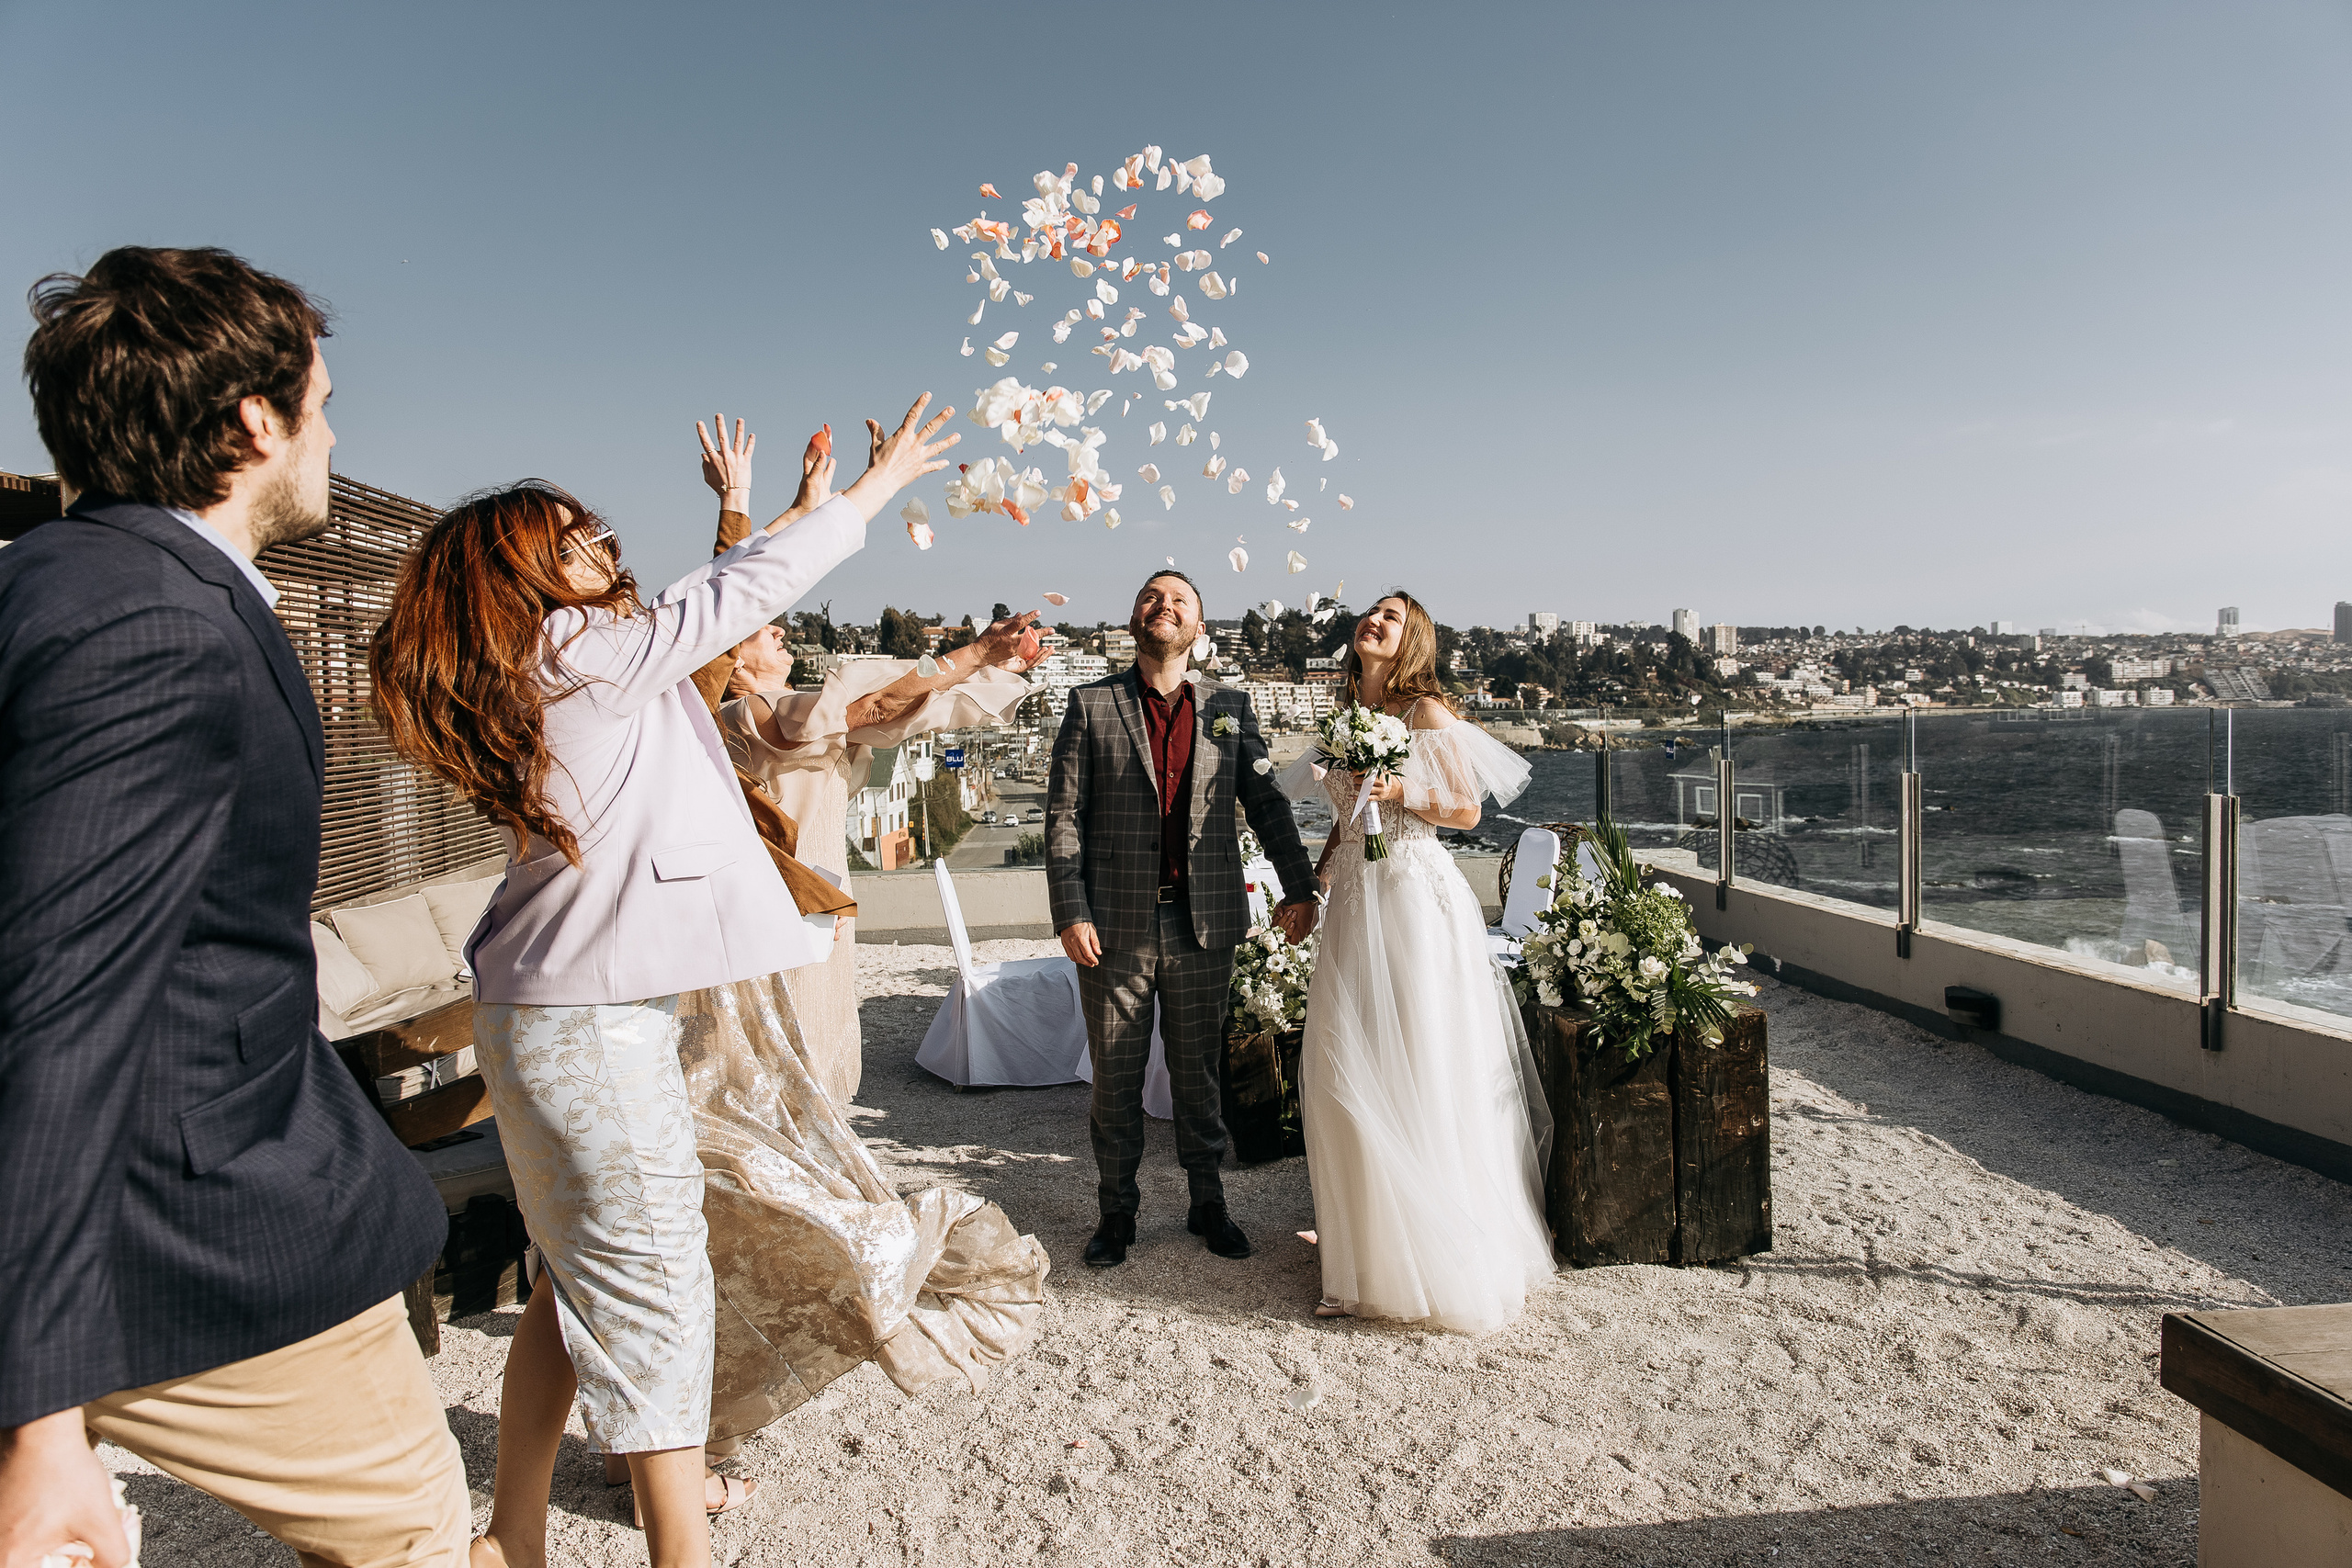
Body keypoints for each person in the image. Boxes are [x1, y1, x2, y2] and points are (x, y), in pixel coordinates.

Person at [368, 396, 956, 1568]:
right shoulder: (581, 657)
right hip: (585, 1031)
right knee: (656, 1301)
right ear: (528, 567)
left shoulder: (557, 662)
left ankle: (514, 1539)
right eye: (578, 534)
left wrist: (765, 508)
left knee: (576, 1283)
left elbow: (712, 600)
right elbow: (730, 600)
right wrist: (875, 488)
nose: (606, 544)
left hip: (546, 1017)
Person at [0, 247, 468, 1567]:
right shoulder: (156, 626)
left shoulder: (57, 580)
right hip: (187, 1229)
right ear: (251, 421)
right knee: (414, 1530)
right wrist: (39, 1408)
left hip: (133, 1206)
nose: (332, 433)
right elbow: (66, 1001)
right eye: (320, 403)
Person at [692, 415, 1035, 1104]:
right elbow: (871, 709)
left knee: (814, 1047)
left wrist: (994, 671)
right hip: (776, 908)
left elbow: (912, 711)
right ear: (732, 659)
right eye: (766, 628)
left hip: (823, 899)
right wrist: (970, 654)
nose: (783, 627)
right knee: (779, 1065)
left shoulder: (787, 710)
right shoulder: (748, 718)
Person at [1278, 592, 1554, 1334]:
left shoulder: (1425, 713)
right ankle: (1361, 1256)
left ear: (1412, 640)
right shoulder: (1343, 723)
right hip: (1356, 905)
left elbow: (1466, 809)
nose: (1375, 620)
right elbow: (1343, 824)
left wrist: (1398, 785)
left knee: (1417, 1067)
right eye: (1371, 612)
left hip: (1411, 900)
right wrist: (1312, 890)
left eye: (1391, 617)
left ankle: (1432, 1261)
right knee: (1344, 1069)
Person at [1045, 570, 1319, 1269]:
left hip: (1207, 924)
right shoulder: (1091, 703)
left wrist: (1301, 888)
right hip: (1113, 927)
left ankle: (1207, 1202)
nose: (1162, 606)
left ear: (1199, 629)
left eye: (1180, 601)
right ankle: (1116, 1212)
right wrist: (1071, 910)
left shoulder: (1230, 707)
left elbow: (1267, 804)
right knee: (1116, 1079)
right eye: (1150, 596)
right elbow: (1063, 819)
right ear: (1134, 617)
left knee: (1198, 1074)